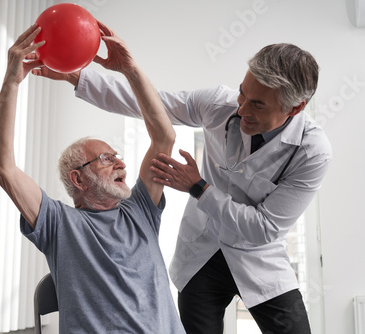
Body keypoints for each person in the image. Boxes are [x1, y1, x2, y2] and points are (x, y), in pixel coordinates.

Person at [33, 43, 332, 333]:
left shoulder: (311, 151)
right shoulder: (219, 103)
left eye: (257, 104)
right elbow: (151, 106)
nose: (241, 109)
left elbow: (263, 228)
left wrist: (199, 187)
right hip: (202, 254)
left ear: (295, 108)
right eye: (243, 93)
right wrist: (76, 76)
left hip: (259, 258)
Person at [0, 22, 186, 333]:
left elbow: (164, 136)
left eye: (117, 156)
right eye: (106, 159)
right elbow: (3, 167)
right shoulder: (58, 224)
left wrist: (130, 68)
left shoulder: (141, 210)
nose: (120, 163)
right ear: (78, 180)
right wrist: (12, 83)